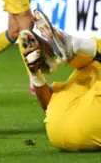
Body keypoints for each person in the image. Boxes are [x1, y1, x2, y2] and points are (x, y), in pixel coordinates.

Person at [19, 9, 101, 151]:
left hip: (56, 130)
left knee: (95, 47)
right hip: (82, 124)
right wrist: (35, 73)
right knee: (94, 51)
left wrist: (35, 78)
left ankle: (69, 45)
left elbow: (48, 106)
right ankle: (66, 47)